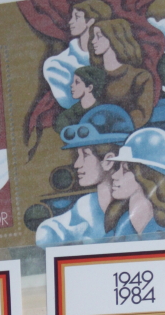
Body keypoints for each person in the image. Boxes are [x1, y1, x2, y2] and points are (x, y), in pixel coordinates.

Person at [35, 105, 134, 247]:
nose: (77, 164)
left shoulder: (136, 207)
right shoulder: (86, 205)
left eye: (85, 155)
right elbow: (45, 235)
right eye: (78, 155)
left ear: (108, 161)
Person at [42, 0, 113, 110]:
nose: (70, 22)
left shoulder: (111, 57)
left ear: (90, 21)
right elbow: (70, 103)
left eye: (77, 17)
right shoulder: (56, 65)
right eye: (72, 17)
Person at [89, 18, 154, 127]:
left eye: (99, 36)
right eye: (93, 36)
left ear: (114, 38)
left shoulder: (140, 76)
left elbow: (141, 114)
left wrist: (116, 125)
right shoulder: (93, 76)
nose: (93, 41)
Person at [52, 64, 107, 133]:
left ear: (89, 88)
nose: (72, 85)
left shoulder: (105, 111)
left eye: (77, 82)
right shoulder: (67, 116)